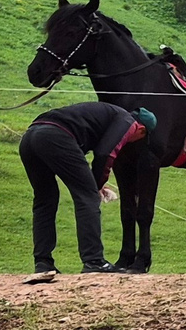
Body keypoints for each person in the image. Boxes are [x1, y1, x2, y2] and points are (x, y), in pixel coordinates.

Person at [20, 101, 154, 282]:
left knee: (45, 200)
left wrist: (94, 182)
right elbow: (104, 154)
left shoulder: (112, 114)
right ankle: (94, 261)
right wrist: (97, 185)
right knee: (88, 197)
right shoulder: (128, 122)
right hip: (56, 135)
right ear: (142, 130)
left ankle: (43, 263)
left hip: (30, 137)